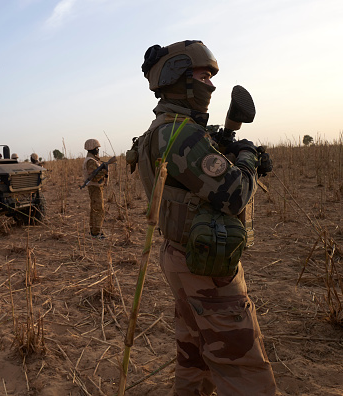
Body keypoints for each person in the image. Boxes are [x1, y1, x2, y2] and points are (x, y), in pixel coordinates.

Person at [137, 40, 276, 395]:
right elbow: (233, 194)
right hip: (206, 264)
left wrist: (232, 150)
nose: (211, 85)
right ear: (178, 78)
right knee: (242, 364)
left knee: (194, 355)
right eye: (203, 76)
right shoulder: (181, 133)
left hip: (182, 254)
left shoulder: (164, 128)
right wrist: (248, 158)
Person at [82, 139, 108, 239]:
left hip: (95, 186)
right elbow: (94, 176)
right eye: (96, 148)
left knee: (95, 209)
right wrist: (104, 172)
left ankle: (94, 231)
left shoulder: (93, 160)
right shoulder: (91, 161)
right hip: (94, 186)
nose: (98, 150)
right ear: (91, 149)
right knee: (98, 209)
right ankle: (96, 233)